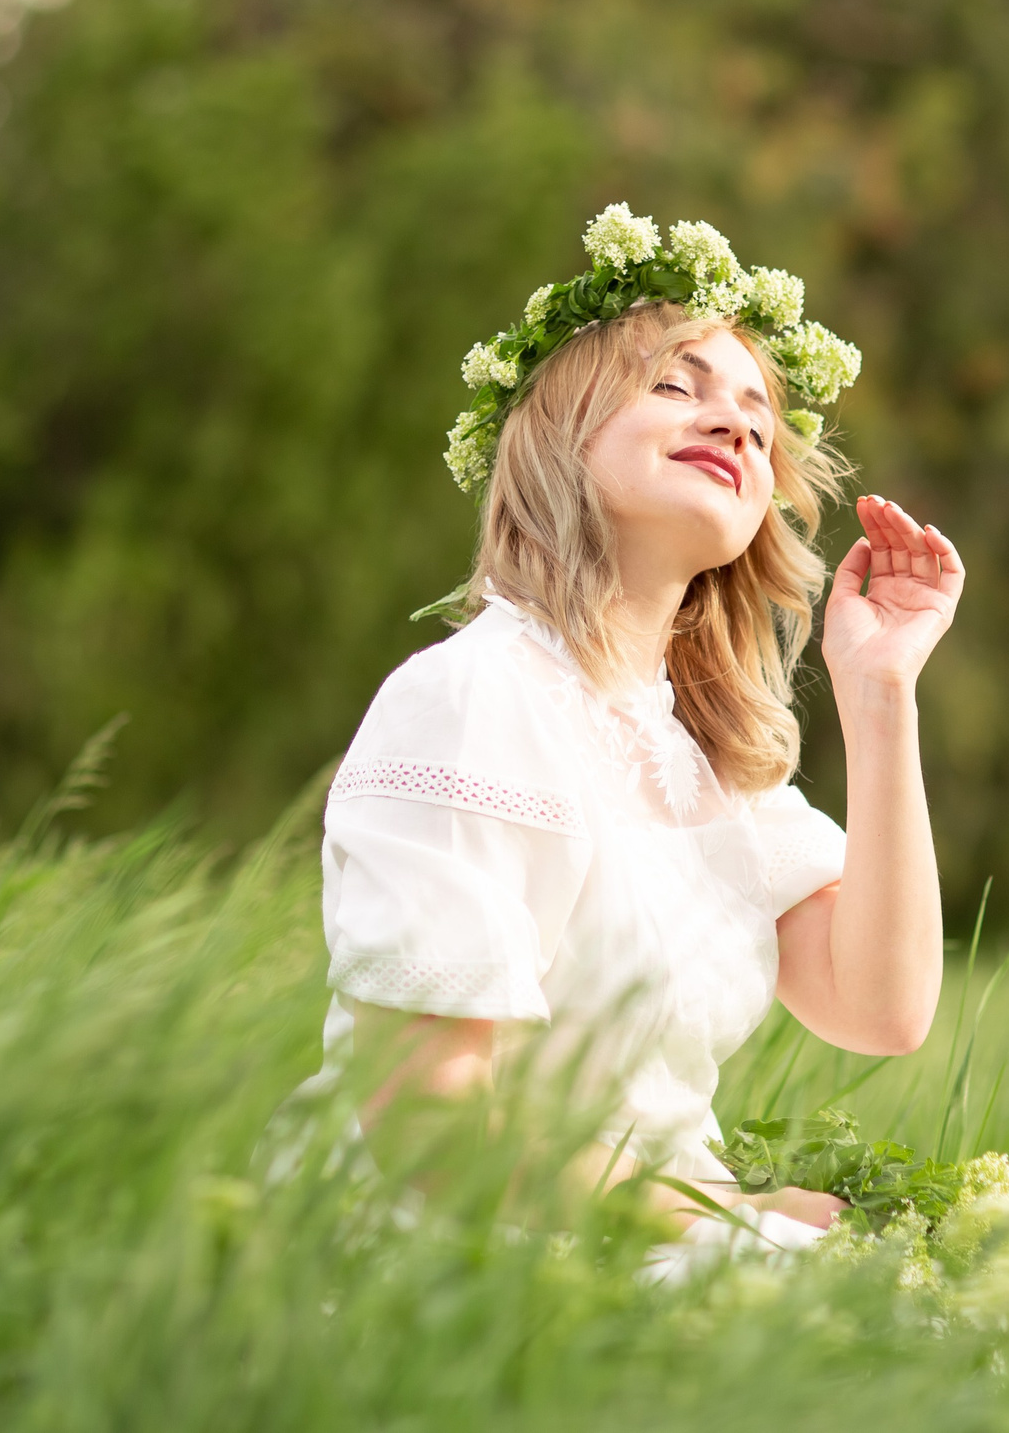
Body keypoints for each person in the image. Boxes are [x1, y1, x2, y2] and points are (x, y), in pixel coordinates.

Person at [317, 206, 964, 1247]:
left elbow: (880, 1009)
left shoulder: (702, 756)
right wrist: (733, 1216)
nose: (736, 424)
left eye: (757, 416)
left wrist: (881, 691)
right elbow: (425, 1128)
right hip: (469, 1249)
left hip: (663, 1230)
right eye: (676, 385)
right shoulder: (470, 698)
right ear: (559, 434)